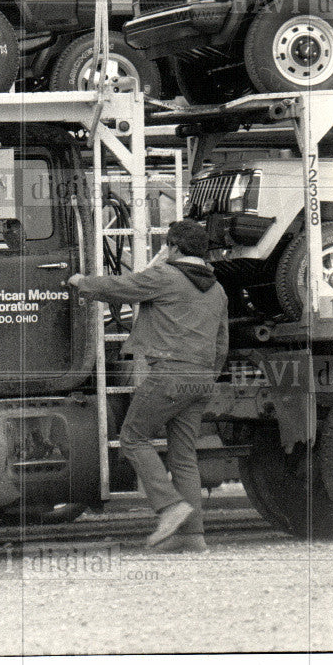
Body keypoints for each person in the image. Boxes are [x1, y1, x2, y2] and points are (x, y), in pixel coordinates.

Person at [68, 219, 228, 553]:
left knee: (133, 437)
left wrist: (83, 282)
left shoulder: (167, 276)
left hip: (169, 372)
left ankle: (170, 507)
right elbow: (221, 344)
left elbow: (123, 286)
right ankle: (193, 537)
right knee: (183, 457)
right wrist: (206, 379)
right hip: (200, 379)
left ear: (174, 248)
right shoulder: (217, 290)